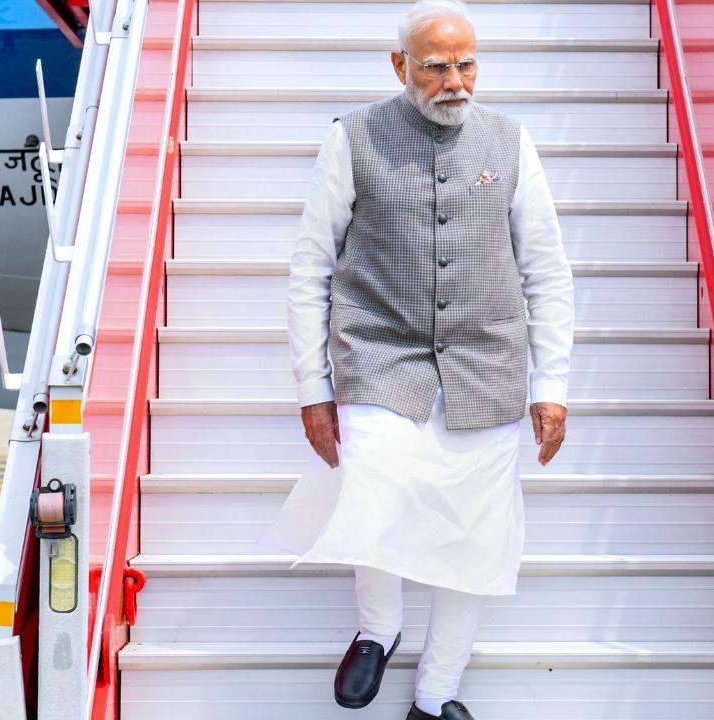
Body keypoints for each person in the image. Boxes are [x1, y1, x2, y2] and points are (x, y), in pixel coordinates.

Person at [259, 1, 575, 718]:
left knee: (476, 538)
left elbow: (548, 270)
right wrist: (313, 388)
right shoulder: (353, 138)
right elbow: (310, 266)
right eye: (435, 66)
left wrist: (550, 385)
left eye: (465, 64)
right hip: (378, 356)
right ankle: (380, 627)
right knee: (372, 492)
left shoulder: (511, 142)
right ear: (399, 65)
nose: (454, 80)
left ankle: (436, 696)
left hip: (488, 366)